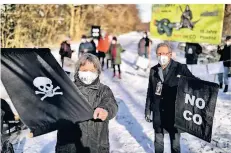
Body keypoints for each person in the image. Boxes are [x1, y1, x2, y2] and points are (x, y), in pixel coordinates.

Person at [56, 53, 118, 153]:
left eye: (92, 70)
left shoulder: (104, 90)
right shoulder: (67, 89)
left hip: (97, 147)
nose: (88, 73)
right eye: (84, 70)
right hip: (69, 147)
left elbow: (111, 104)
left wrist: (105, 110)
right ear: (77, 71)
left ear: (98, 71)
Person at [145, 42, 196, 153]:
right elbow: (150, 91)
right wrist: (148, 110)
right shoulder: (153, 70)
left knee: (175, 142)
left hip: (174, 111)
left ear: (170, 54)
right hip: (158, 111)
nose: (162, 56)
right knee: (158, 140)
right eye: (159, 53)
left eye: (164, 53)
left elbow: (193, 82)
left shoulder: (180, 68)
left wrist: (206, 88)